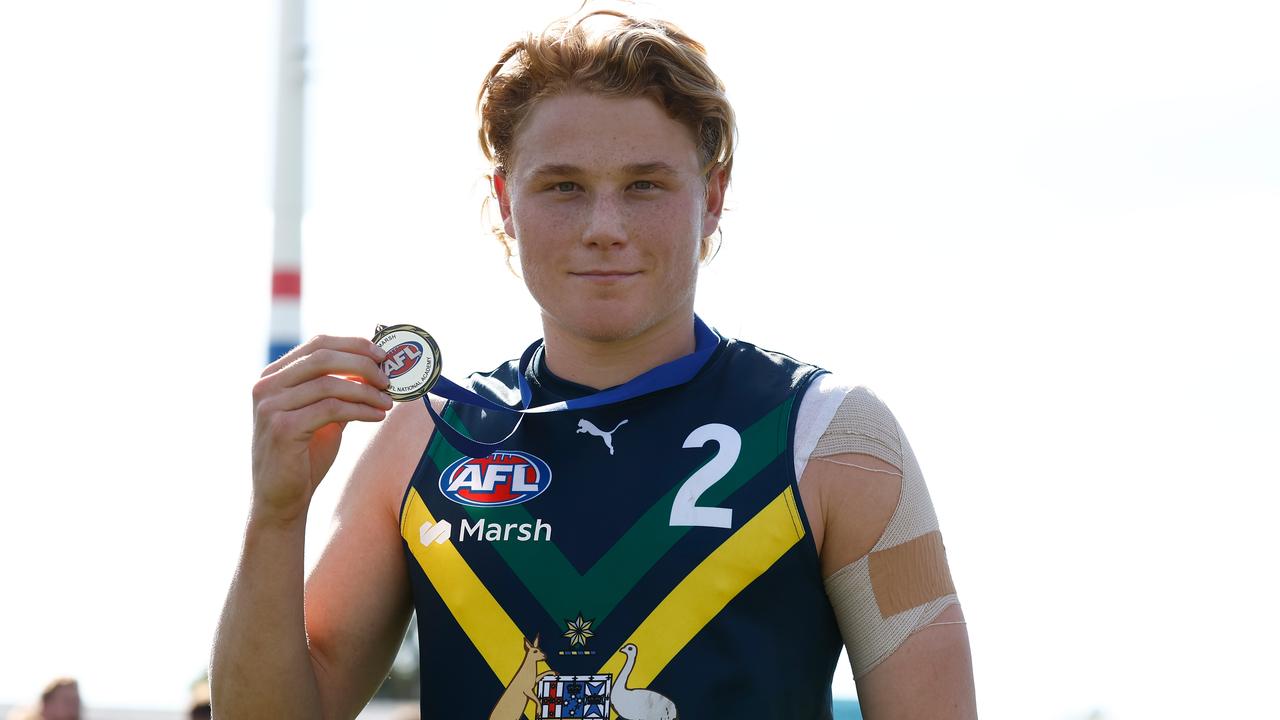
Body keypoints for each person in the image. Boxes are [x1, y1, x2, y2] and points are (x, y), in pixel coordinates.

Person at [211, 5, 977, 718]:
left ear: (711, 198)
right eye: (563, 187)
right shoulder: (425, 436)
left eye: (644, 184)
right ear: (506, 204)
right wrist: (275, 513)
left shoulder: (834, 437)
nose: (603, 227)